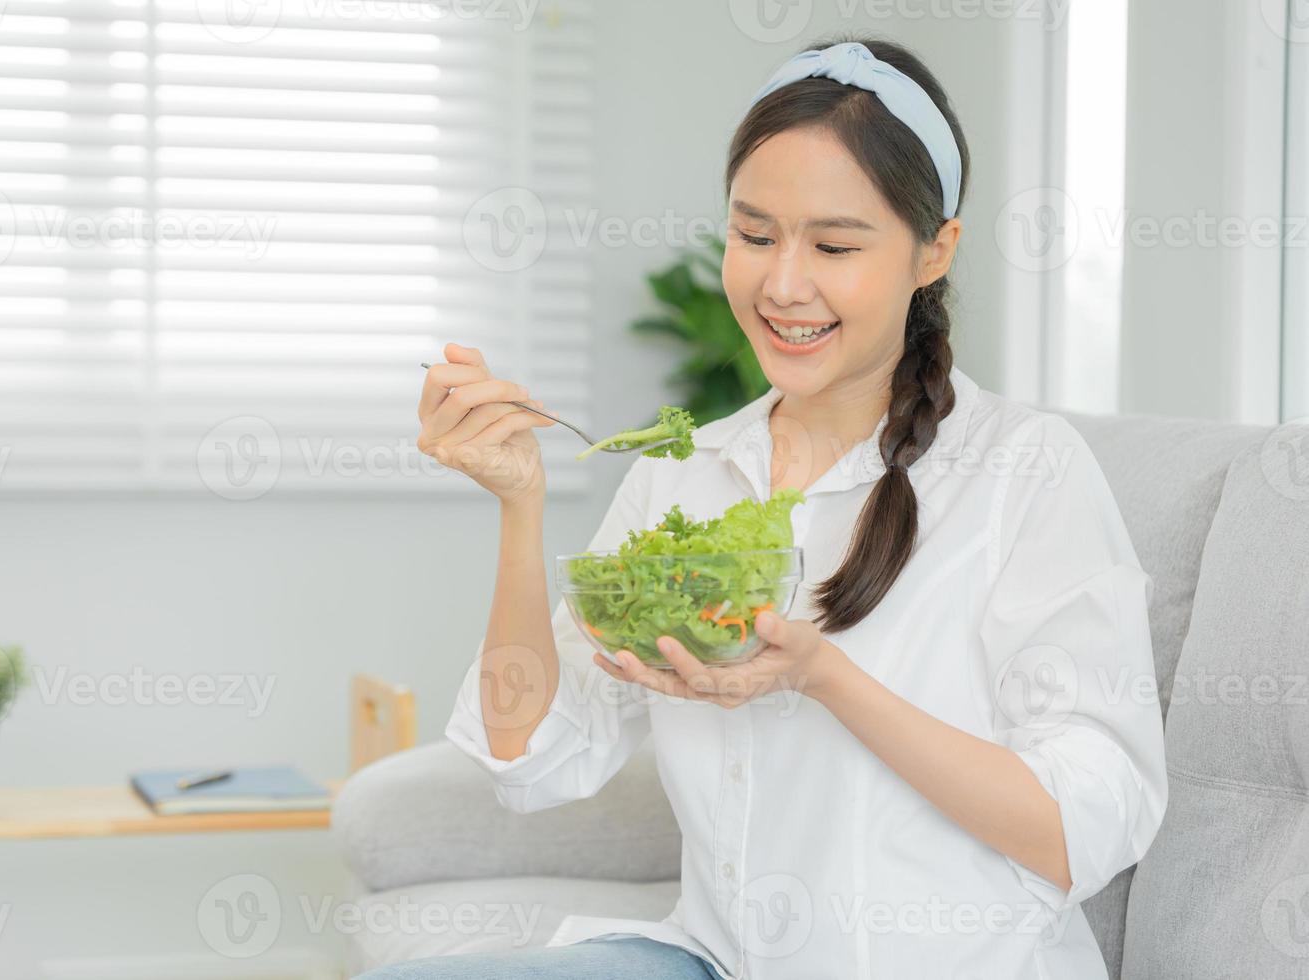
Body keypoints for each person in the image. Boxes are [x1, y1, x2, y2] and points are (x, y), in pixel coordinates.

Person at [379, 34, 1168, 980]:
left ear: (934, 251)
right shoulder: (688, 474)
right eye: (754, 235)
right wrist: (520, 506)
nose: (782, 285)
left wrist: (824, 677)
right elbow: (529, 755)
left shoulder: (1025, 471)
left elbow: (1086, 826)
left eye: (835, 245)